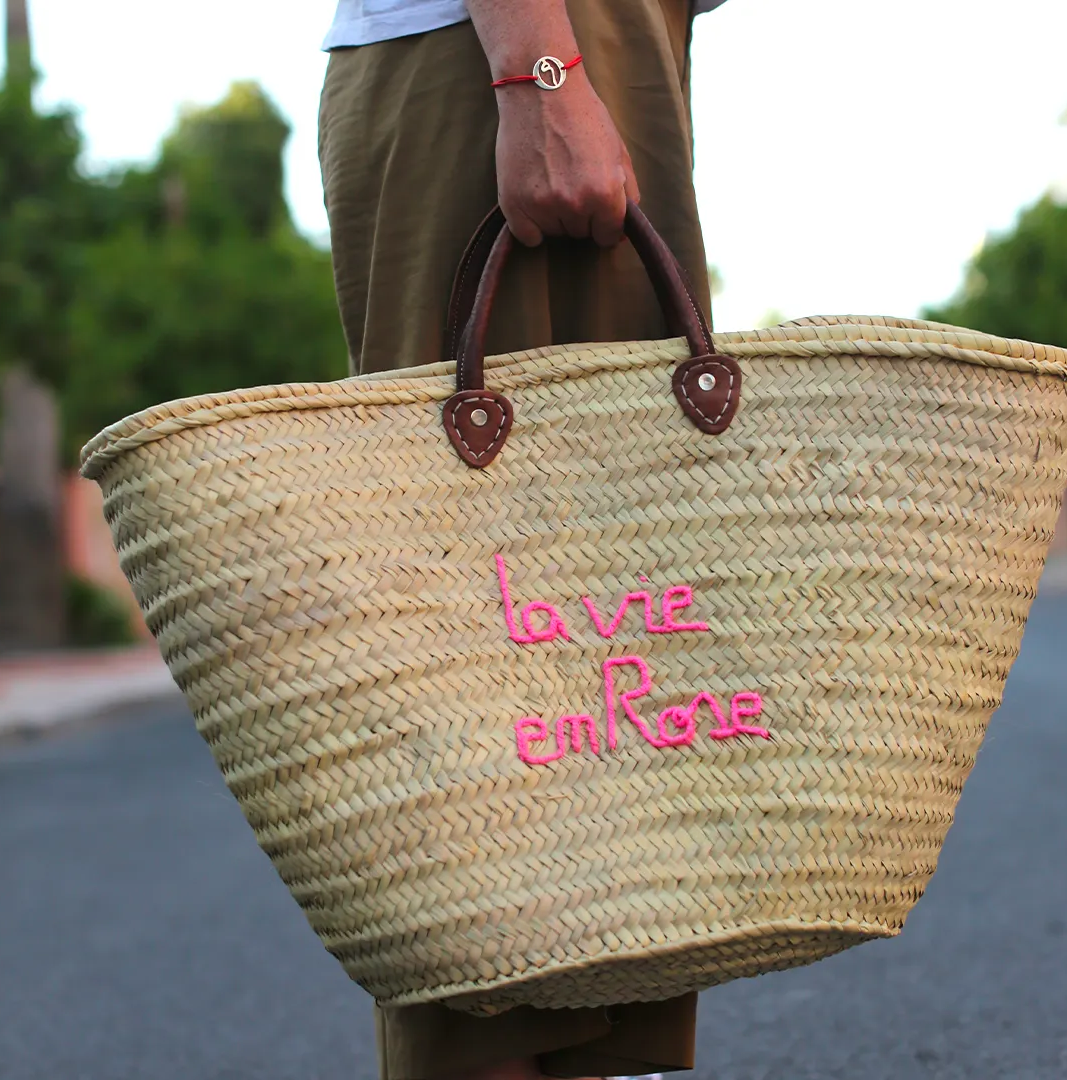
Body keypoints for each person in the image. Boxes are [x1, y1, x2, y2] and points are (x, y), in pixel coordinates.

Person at [316, 2, 729, 1077]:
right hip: (511, 42)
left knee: (606, 776)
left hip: (616, 43)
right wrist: (537, 71)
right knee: (483, 715)